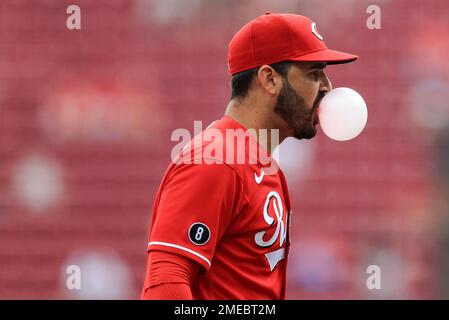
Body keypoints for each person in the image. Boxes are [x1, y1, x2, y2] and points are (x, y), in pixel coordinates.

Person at [140, 12, 358, 300]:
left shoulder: (258, 162)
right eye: (313, 73)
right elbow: (165, 281)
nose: (328, 87)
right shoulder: (216, 161)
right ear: (269, 79)